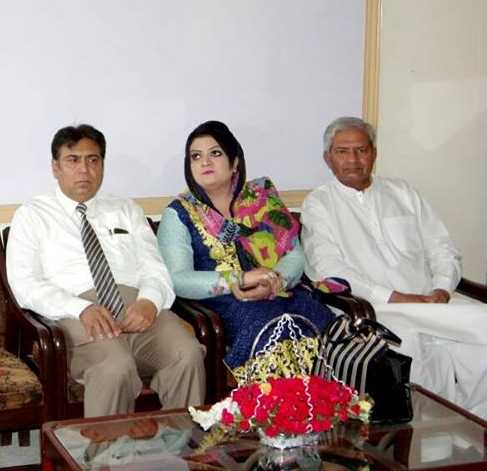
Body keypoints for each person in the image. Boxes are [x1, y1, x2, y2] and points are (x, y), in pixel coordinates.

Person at [6, 124, 205, 417]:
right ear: (55, 167)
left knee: (186, 354)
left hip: (137, 307)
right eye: (73, 160)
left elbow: (154, 266)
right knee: (115, 366)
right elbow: (25, 284)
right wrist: (81, 308)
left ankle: (182, 451)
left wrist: (150, 301)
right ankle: (107, 458)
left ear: (102, 165)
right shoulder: (33, 215)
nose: (84, 169)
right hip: (76, 314)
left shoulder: (126, 209)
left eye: (93, 159)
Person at [302, 116, 487, 419]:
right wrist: (399, 298)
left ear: (374, 153)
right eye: (342, 152)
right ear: (327, 158)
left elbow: (442, 247)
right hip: (377, 309)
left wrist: (441, 287)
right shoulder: (320, 204)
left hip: (433, 301)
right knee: (413, 344)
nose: (353, 160)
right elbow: (329, 270)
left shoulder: (403, 192)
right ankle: (429, 441)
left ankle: (472, 430)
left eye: (361, 150)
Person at [156, 121, 333, 379]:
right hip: (225, 302)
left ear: (235, 162)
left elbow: (294, 254)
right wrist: (240, 279)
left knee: (322, 324)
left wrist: (275, 281)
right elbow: (178, 279)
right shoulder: (180, 213)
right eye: (196, 156)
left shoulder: (261, 200)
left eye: (215, 153)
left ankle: (331, 410)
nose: (204, 162)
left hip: (280, 291)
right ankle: (276, 411)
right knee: (270, 328)